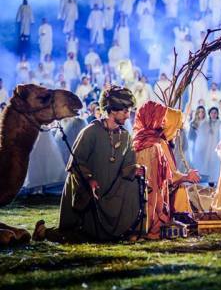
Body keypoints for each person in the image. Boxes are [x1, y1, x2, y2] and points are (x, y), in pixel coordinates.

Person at [33, 86, 141, 242]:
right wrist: (89, 179)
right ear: (112, 110)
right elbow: (76, 163)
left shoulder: (125, 136)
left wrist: (134, 170)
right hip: (87, 191)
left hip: (110, 192)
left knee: (135, 184)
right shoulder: (91, 131)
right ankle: (43, 232)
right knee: (79, 235)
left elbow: (129, 165)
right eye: (125, 111)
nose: (128, 115)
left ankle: (126, 229)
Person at [132, 101, 171, 239]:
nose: (164, 121)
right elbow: (154, 181)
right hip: (149, 192)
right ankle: (149, 228)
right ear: (152, 118)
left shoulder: (137, 140)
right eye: (161, 118)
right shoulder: (154, 144)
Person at [193, 107, 221, 185]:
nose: (213, 114)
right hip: (207, 148)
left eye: (215, 113)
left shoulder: (220, 123)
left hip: (217, 147)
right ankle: (210, 183)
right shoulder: (206, 123)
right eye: (212, 113)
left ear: (217, 114)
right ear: (209, 114)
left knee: (216, 165)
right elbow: (201, 135)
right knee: (208, 166)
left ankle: (217, 182)